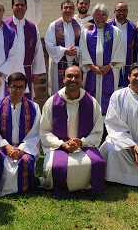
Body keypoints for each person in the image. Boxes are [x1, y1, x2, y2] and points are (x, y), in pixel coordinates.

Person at [39, 65, 105, 197]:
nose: (73, 79)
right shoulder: (52, 102)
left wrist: (81, 142)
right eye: (69, 76)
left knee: (98, 163)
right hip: (58, 147)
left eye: (77, 77)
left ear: (81, 80)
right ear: (63, 79)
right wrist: (62, 144)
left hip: (84, 147)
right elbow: (45, 131)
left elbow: (97, 132)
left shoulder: (92, 103)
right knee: (55, 167)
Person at [0, 73, 41, 196]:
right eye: (14, 87)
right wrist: (7, 147)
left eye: (21, 87)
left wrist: (21, 150)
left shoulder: (34, 107)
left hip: (23, 149)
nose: (18, 91)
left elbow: (36, 133)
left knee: (26, 159)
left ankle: (23, 188)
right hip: (2, 147)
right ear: (8, 87)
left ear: (25, 88)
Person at [79, 3, 125, 114]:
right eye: (97, 15)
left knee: (109, 96)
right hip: (91, 72)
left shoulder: (115, 31)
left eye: (103, 15)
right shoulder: (86, 33)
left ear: (107, 17)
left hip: (110, 72)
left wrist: (109, 66)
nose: (100, 18)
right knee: (91, 95)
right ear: (93, 17)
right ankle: (92, 121)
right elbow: (83, 51)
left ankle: (107, 123)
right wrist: (92, 66)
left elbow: (119, 51)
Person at [4, 0, 46, 100]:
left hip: (26, 69)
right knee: (7, 98)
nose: (20, 7)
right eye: (17, 5)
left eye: (22, 5)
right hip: (8, 70)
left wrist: (36, 71)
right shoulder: (4, 25)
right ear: (12, 7)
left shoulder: (32, 27)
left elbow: (38, 50)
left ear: (26, 8)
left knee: (24, 99)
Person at [45, 0, 81, 95]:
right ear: (61, 10)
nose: (68, 10)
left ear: (74, 11)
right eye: (65, 7)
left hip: (74, 64)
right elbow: (49, 44)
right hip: (59, 65)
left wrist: (76, 50)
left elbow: (83, 44)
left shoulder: (78, 26)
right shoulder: (54, 26)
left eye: (70, 8)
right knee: (59, 93)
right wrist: (65, 51)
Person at [110, 2, 137, 88]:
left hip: (127, 64)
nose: (121, 13)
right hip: (111, 65)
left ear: (127, 12)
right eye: (119, 10)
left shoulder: (133, 28)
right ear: (114, 12)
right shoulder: (108, 26)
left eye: (124, 10)